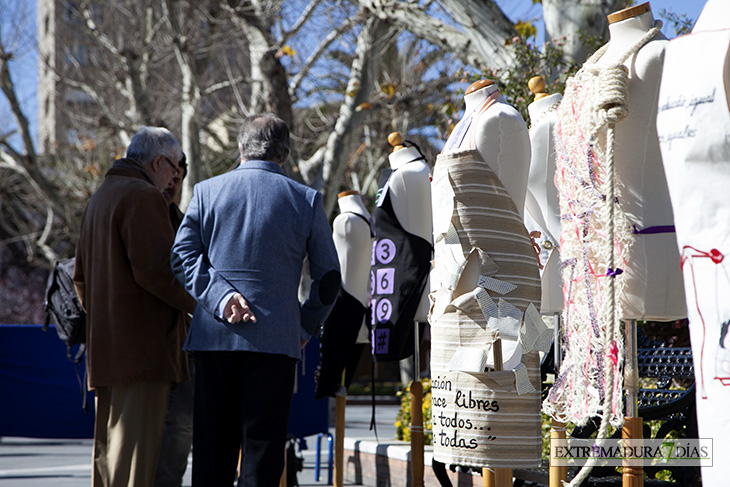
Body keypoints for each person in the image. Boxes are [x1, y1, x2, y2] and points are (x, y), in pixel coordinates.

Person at [171, 113, 340, 486]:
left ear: (240, 146)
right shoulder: (306, 200)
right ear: (286, 152)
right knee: (262, 461)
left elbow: (181, 257)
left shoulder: (206, 191)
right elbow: (329, 280)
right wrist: (304, 325)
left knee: (212, 456)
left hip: (215, 339)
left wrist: (220, 296)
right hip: (277, 342)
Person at [73, 126, 196, 487]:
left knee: (109, 462)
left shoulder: (101, 197)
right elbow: (159, 272)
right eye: (174, 169)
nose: (174, 178)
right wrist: (206, 305)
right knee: (134, 468)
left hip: (107, 352)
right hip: (144, 354)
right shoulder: (143, 196)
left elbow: (79, 278)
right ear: (158, 161)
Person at [155, 153, 194, 487]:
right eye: (169, 174)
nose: (172, 183)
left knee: (180, 431)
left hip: (182, 349)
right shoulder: (136, 214)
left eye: (178, 179)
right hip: (140, 350)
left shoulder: (187, 223)